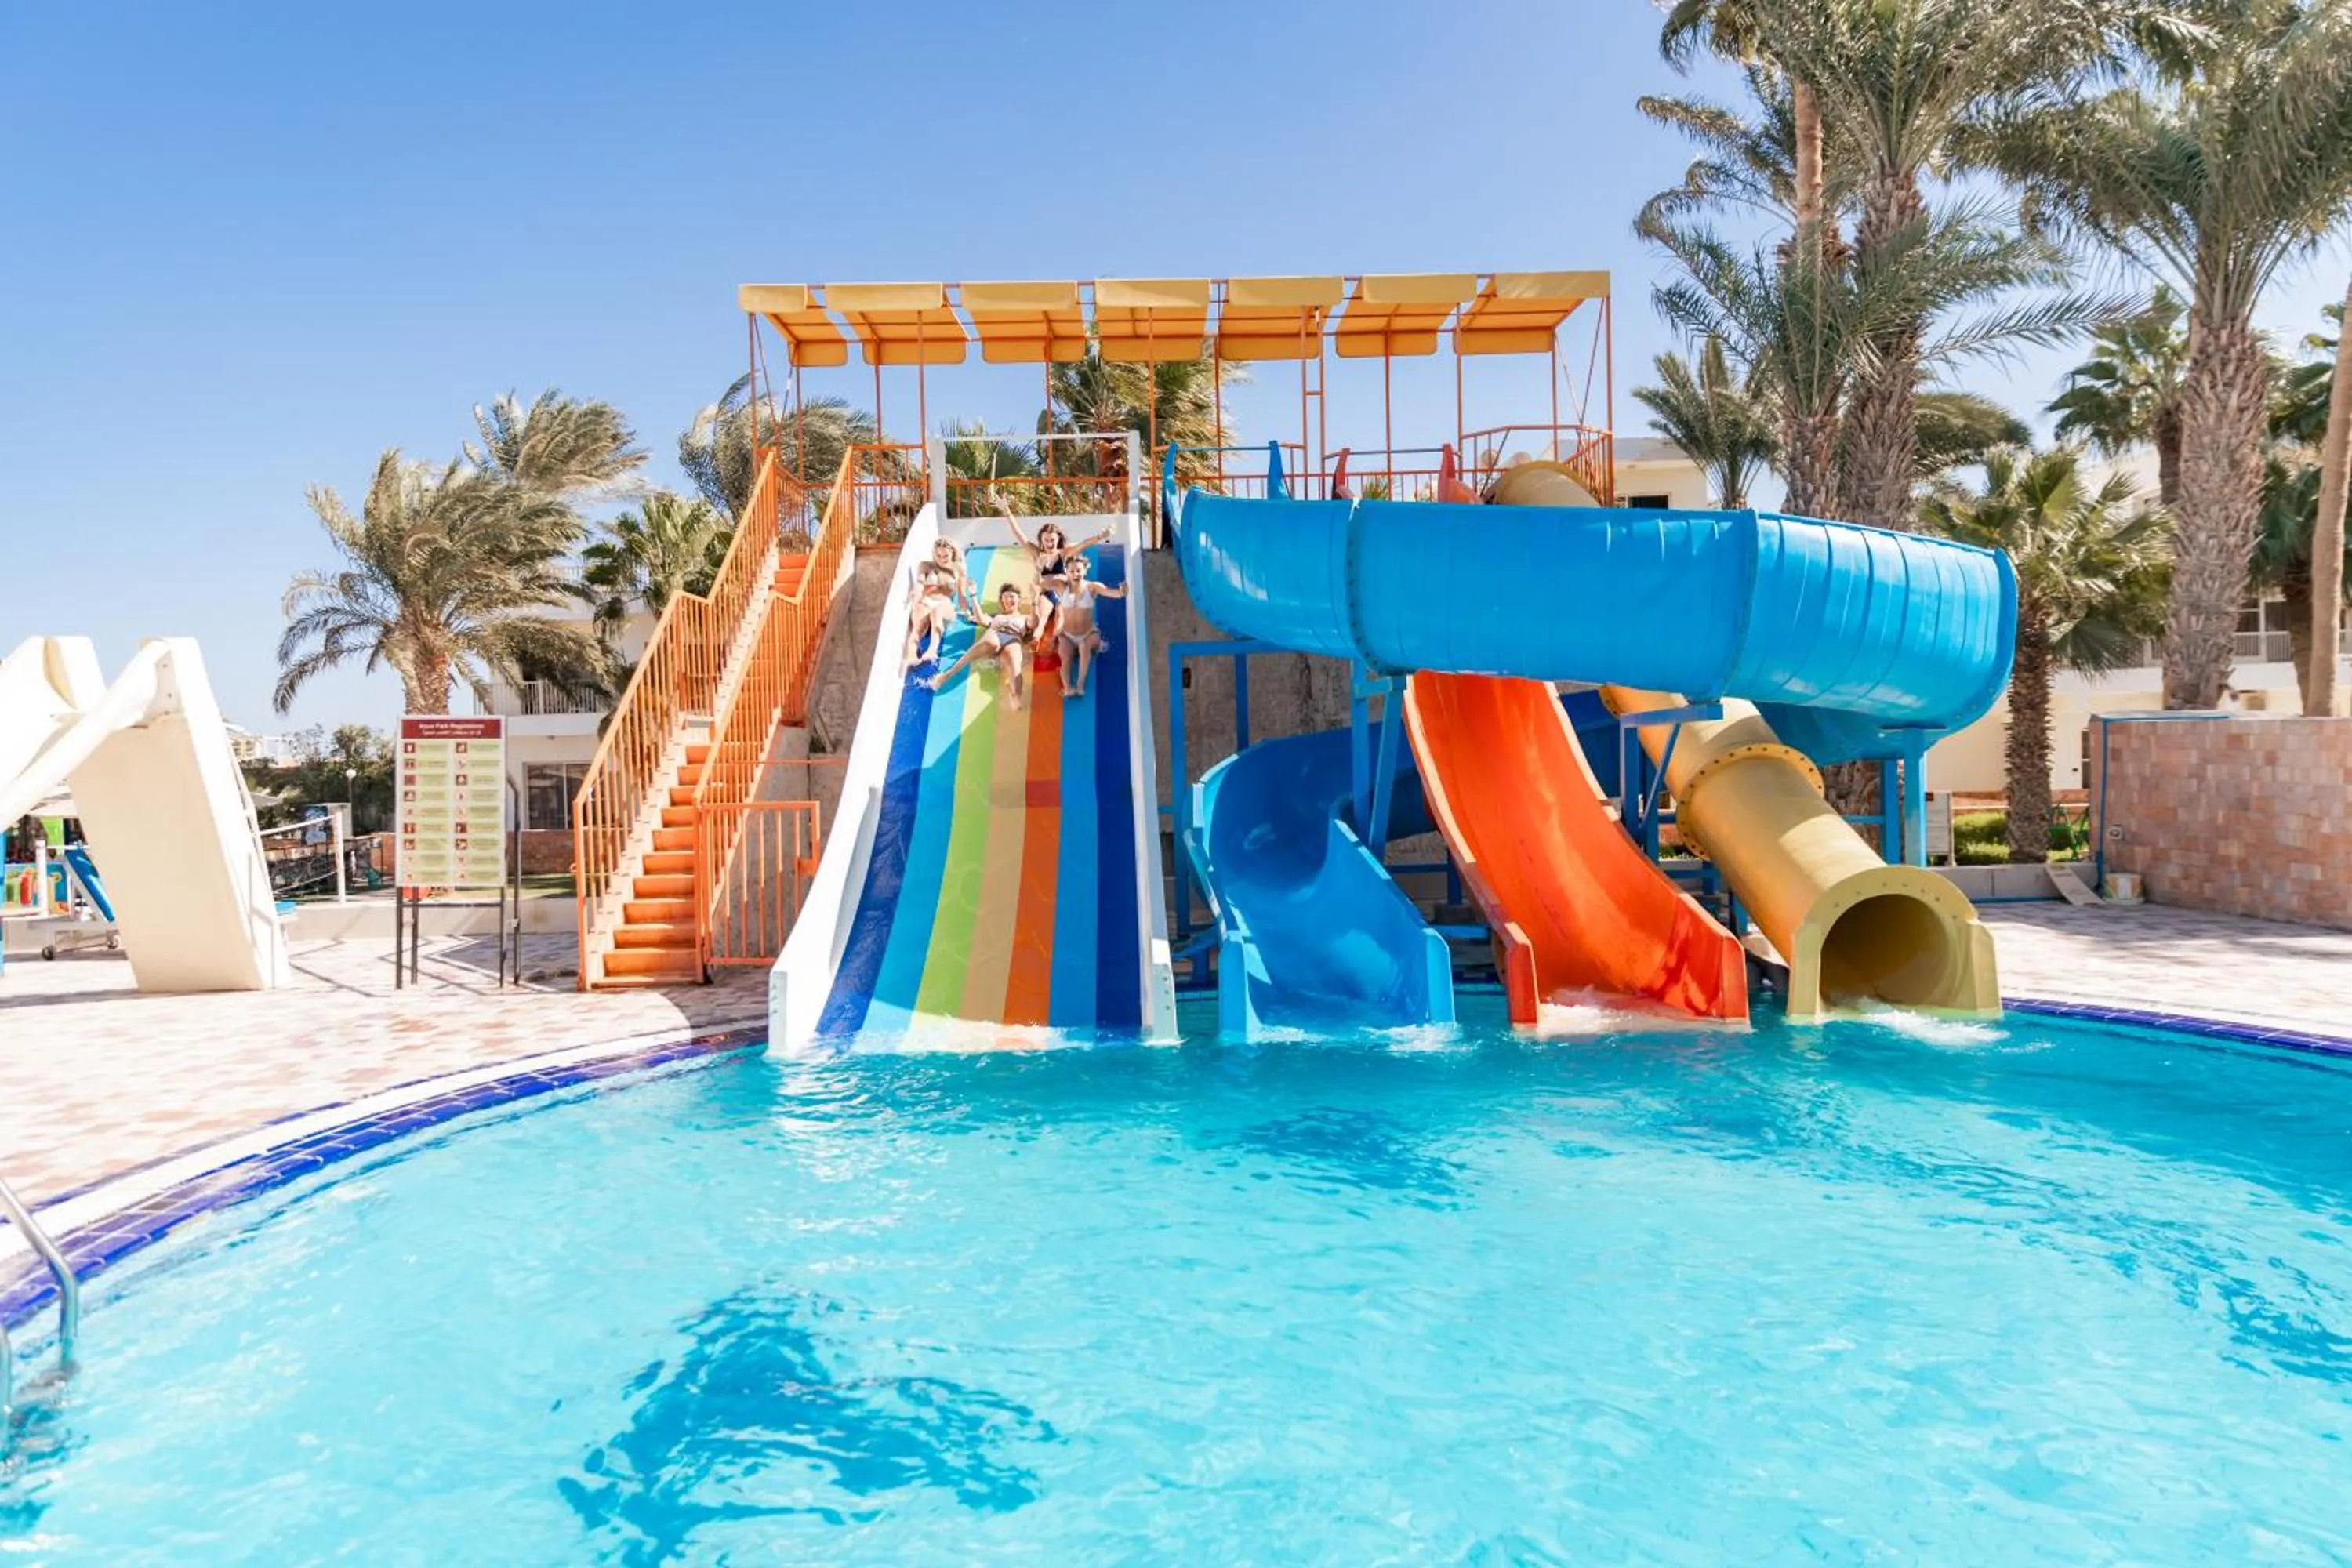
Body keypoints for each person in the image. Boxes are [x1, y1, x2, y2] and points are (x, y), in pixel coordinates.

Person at [1002, 509, 1112, 642]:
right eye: (1046, 540)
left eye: (1052, 540)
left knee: (1060, 615)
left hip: (1062, 594)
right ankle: (1035, 639)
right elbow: (1019, 534)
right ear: (1041, 540)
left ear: (1058, 539)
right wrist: (1007, 512)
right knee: (1042, 617)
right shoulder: (1037, 553)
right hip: (1046, 594)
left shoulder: (1064, 553)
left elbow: (1083, 544)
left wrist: (1100, 537)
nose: (1049, 543)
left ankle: (1058, 640)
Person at [927, 583, 1036, 710]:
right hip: (996, 634)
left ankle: (1016, 695)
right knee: (991, 641)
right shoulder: (997, 617)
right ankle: (947, 674)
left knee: (1014, 656)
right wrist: (973, 595)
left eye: (1011, 596)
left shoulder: (1025, 618)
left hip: (1014, 638)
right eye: (1005, 598)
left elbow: (1034, 623)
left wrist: (1035, 600)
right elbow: (981, 619)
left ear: (1019, 599)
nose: (1008, 600)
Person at [1051, 554, 1127, 698]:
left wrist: (1122, 591)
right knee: (1066, 658)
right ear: (1066, 572)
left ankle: (1080, 684)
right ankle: (1067, 687)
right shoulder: (1062, 588)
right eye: (1072, 571)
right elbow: (1039, 583)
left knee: (1084, 646)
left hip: (1088, 634)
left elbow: (1112, 593)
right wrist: (1039, 569)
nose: (1075, 574)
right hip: (1067, 634)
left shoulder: (1092, 587)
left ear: (1085, 571)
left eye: (1079, 570)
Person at [902, 538, 976, 673]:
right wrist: (916, 596)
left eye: (945, 556)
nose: (942, 559)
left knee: (938, 611)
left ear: (952, 553)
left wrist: (968, 613)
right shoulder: (925, 566)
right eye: (939, 555)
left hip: (944, 604)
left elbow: (961, 595)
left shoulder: (958, 568)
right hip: (926, 601)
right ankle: (911, 656)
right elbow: (920, 584)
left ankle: (932, 650)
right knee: (917, 628)